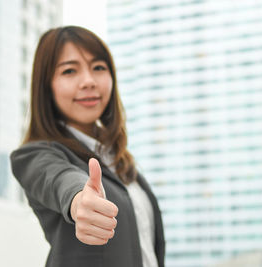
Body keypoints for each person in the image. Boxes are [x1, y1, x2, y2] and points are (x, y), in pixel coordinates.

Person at [10, 26, 165, 267]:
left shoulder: (121, 162)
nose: (89, 81)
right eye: (70, 71)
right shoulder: (35, 155)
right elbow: (59, 178)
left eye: (99, 68)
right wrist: (78, 198)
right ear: (47, 86)